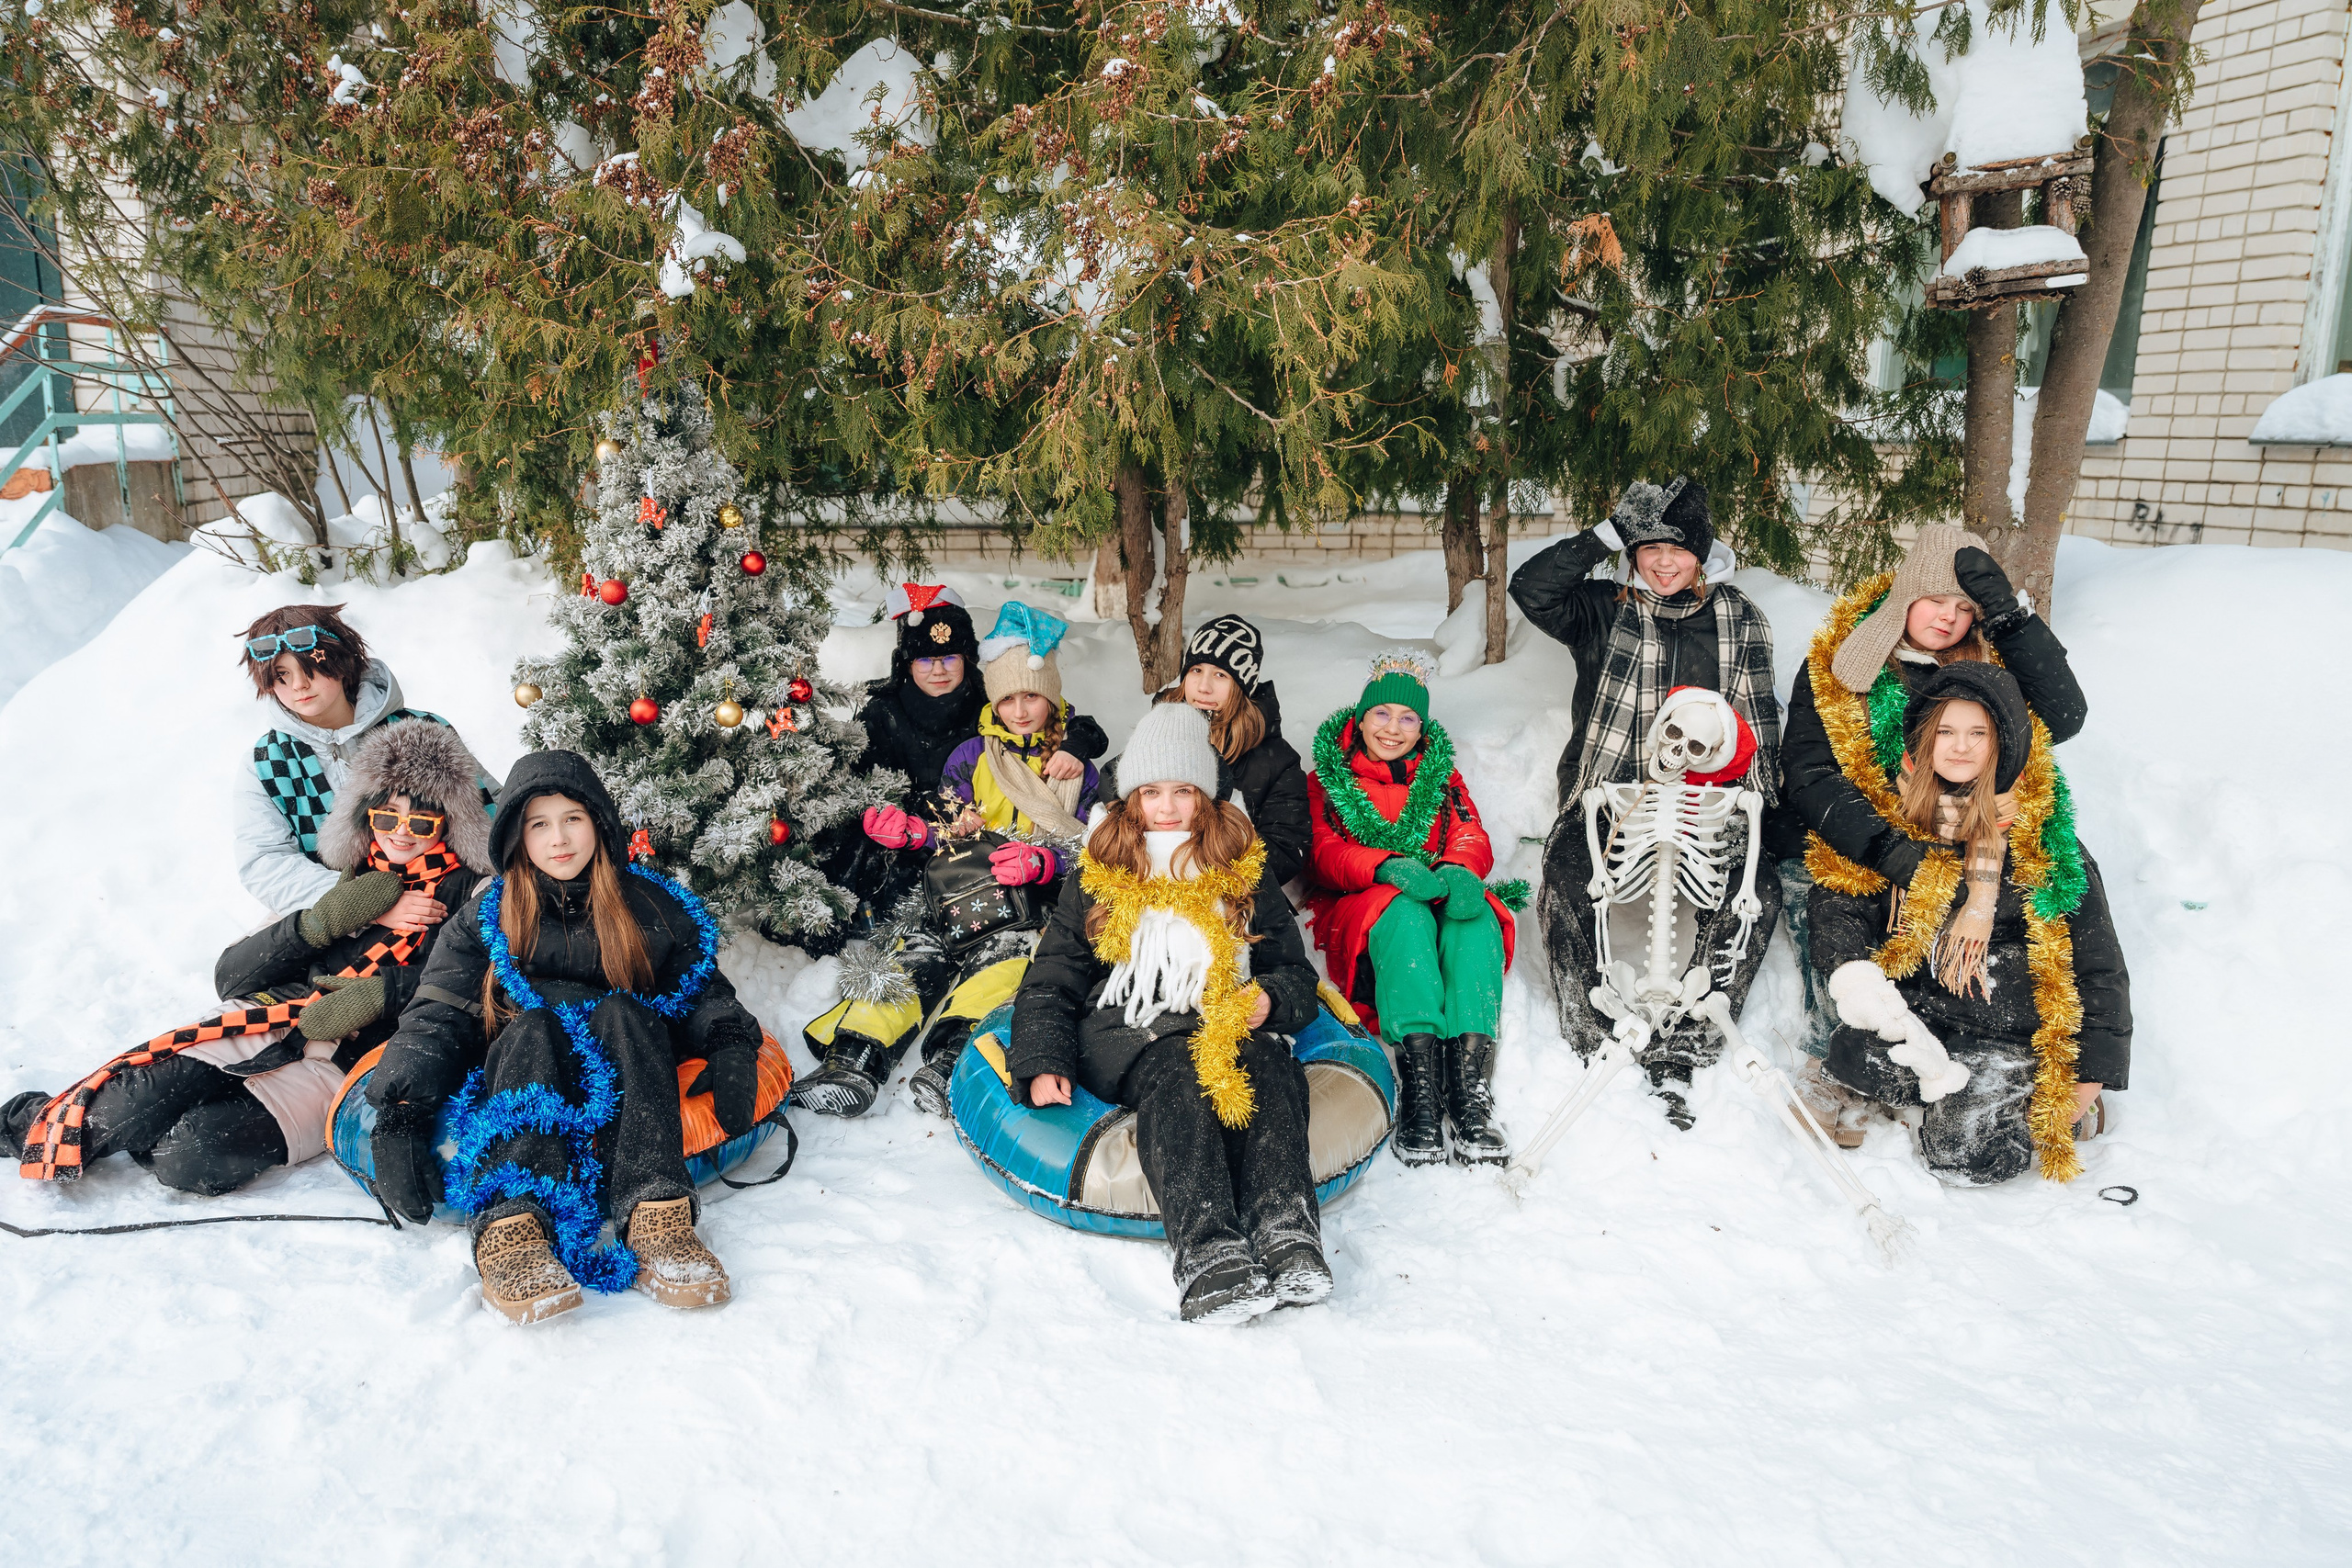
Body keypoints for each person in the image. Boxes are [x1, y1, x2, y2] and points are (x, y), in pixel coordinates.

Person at [363, 750, 767, 1325]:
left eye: (573, 818)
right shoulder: (487, 919)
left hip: (628, 1071)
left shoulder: (651, 908)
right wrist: (401, 1108)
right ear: (515, 837)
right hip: (528, 1073)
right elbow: (438, 1013)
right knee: (530, 1024)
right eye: (539, 823)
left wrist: (729, 1042)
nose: (560, 839)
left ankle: (657, 1215)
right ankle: (514, 1226)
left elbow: (701, 990)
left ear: (598, 824)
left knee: (630, 1014)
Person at [7, 721, 492, 1195]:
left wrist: (386, 993)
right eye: (387, 816)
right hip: (271, 1014)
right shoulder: (349, 877)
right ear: (366, 815)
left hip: (348, 1062)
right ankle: (25, 1122)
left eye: (421, 821)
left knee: (189, 1156)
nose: (401, 833)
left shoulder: (477, 895)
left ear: (451, 821)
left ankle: (162, 1129)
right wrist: (321, 921)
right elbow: (231, 977)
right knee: (125, 1109)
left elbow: (483, 990)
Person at [1008, 704, 1329, 1323]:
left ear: (1206, 797)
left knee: (1270, 1067)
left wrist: (1271, 1000)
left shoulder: (1238, 868)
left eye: (1183, 791)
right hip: (1130, 1025)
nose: (1168, 806)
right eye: (1152, 791)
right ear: (1132, 798)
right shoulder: (1104, 871)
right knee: (1180, 1072)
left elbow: (1294, 972)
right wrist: (1043, 1056)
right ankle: (1208, 1252)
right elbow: (1054, 975)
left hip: (1223, 1013)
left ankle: (1286, 1226)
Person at [1779, 523, 2088, 1145]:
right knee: (1833, 910)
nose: (1948, 619)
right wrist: (1892, 851)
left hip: (1980, 834)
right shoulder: (1840, 663)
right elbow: (1811, 775)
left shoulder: (1990, 662)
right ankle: (1835, 1057)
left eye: (1964, 607)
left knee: (2046, 899)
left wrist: (2008, 617)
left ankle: (2040, 1063)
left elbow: (2066, 714)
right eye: (1935, 601)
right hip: (1865, 838)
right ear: (1904, 596)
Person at [1509, 478, 1782, 1124]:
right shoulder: (1603, 609)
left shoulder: (1738, 617)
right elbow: (1531, 589)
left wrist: (1755, 800)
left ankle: (1694, 1034)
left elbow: (1760, 723)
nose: (1662, 561)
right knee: (1567, 872)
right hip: (1610, 791)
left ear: (1703, 554)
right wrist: (1606, 533)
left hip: (1709, 796)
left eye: (1678, 549)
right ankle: (1588, 1021)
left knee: (1759, 890)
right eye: (1648, 547)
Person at [1806, 663, 2129, 1185]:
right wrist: (1852, 970)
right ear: (1924, 740)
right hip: (1922, 1013)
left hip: (2003, 1026)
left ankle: (2016, 1090)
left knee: (1965, 1157)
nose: (1960, 747)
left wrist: (2092, 1075)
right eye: (1947, 733)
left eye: (1978, 733)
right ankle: (1941, 1094)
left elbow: (2100, 963)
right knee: (1852, 1053)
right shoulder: (1890, 825)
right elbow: (1838, 902)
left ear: (2003, 745)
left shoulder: (2043, 844)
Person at [801, 602, 1104, 1119]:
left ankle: (952, 1058)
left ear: (1051, 696)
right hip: (962, 890)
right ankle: (856, 1055)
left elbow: (1092, 847)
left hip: (1033, 901)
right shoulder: (971, 756)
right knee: (916, 951)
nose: (1021, 710)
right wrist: (916, 833)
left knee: (1002, 964)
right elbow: (947, 825)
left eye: (1032, 695)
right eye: (1008, 698)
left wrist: (1042, 863)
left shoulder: (1077, 770)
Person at [1304, 649, 1516, 1168]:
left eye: (1407, 718)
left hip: (1437, 889)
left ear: (1422, 727)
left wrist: (1460, 869)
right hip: (1364, 905)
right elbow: (1322, 852)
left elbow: (1469, 830)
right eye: (1382, 713)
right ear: (1361, 718)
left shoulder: (1441, 779)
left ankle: (1468, 1088)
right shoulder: (1326, 780)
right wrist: (1384, 866)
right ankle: (1420, 1086)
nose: (1393, 728)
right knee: (1405, 914)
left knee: (1474, 916)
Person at [234, 604, 498, 917]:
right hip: (337, 911)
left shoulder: (421, 729)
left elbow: (492, 811)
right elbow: (264, 861)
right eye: (281, 676)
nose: (298, 686)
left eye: (310, 669)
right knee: (243, 962)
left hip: (445, 896)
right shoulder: (267, 761)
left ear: (341, 661)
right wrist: (366, 904)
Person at [1154, 614, 1312, 887]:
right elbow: (1117, 799)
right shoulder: (1156, 734)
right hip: (1153, 882)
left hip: (1229, 891)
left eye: (1220, 675)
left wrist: (1205, 865)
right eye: (1196, 670)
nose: (1204, 687)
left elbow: (1285, 851)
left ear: (1241, 687)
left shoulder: (1277, 760)